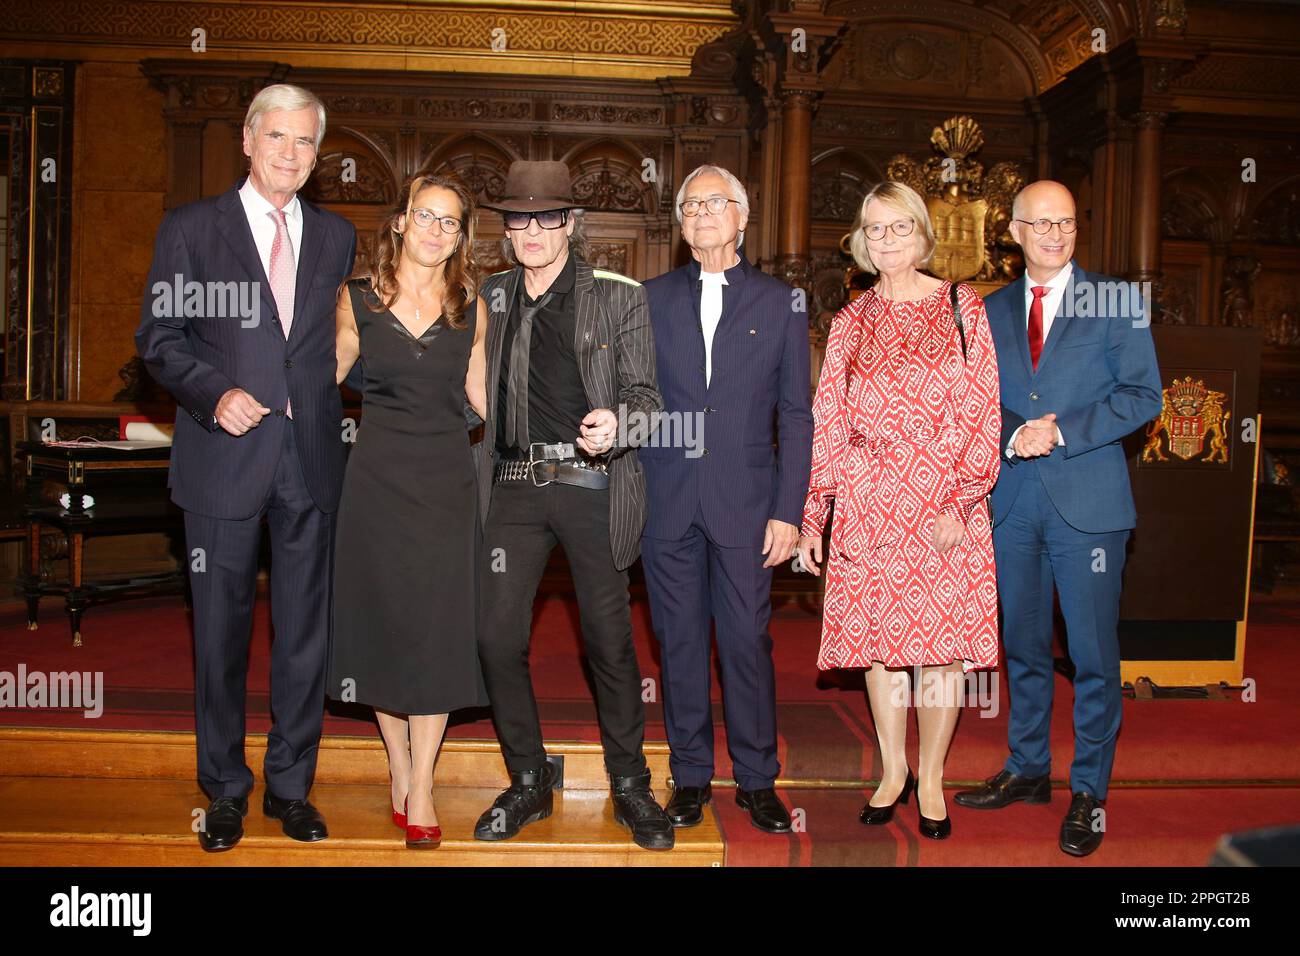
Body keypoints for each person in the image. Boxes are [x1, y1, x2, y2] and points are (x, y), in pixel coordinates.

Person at [135, 84, 356, 851]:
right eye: (277, 138)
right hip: (223, 457)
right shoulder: (192, 229)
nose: (290, 154)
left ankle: (291, 787)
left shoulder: (336, 236)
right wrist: (212, 392)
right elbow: (159, 338)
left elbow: (339, 341)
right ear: (247, 139)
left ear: (317, 154)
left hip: (311, 460)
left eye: (304, 143)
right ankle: (224, 788)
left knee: (304, 638)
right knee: (220, 637)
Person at [470, 160, 674, 850]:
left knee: (608, 643)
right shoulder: (490, 295)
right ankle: (528, 777)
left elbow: (648, 400)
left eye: (546, 217)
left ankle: (630, 784)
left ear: (569, 224)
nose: (531, 230)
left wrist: (619, 423)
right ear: (506, 228)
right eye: (518, 218)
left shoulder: (619, 297)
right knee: (496, 638)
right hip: (512, 490)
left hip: (590, 485)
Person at [954, 180, 1161, 857]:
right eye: (1040, 224)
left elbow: (1143, 396)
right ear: (1012, 232)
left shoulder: (1116, 300)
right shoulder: (988, 309)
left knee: (1094, 656)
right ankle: (1028, 767)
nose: (1054, 234)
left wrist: (1061, 431)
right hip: (1012, 504)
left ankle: (1090, 792)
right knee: (1022, 648)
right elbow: (973, 400)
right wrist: (1017, 434)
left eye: (1066, 222)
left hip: (1090, 510)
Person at [795, 181, 1001, 840]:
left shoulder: (963, 306)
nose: (887, 241)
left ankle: (933, 775)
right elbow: (827, 419)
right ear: (860, 239)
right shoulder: (851, 321)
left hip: (944, 503)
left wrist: (962, 501)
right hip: (868, 504)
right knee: (881, 651)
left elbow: (983, 410)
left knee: (939, 653)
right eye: (875, 229)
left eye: (900, 228)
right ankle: (892, 770)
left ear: (922, 234)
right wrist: (814, 513)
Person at [641, 165, 812, 833]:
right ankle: (689, 778)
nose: (703, 214)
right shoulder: (648, 298)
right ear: (680, 222)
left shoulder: (781, 302)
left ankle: (756, 777)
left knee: (745, 640)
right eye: (691, 205)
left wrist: (790, 510)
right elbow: (633, 395)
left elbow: (796, 414)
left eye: (717, 203)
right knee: (678, 642)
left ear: (743, 218)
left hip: (749, 505)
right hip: (667, 498)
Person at [328, 172, 490, 849]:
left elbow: (483, 400)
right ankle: (398, 764)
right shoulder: (356, 299)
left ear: (461, 236)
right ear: (399, 223)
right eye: (425, 215)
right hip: (375, 487)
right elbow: (324, 377)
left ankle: (421, 782)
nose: (435, 230)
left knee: (437, 632)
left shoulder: (470, 303)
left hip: (446, 486)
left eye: (449, 221)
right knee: (385, 629)